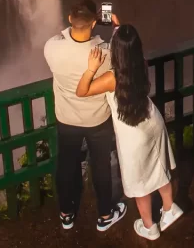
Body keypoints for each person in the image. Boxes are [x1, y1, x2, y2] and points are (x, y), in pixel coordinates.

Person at [76, 24, 184, 241]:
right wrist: (120, 26)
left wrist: (91, 68)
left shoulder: (111, 78)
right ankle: (169, 208)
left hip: (133, 134)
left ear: (114, 51)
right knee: (158, 166)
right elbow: (129, 44)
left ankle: (149, 227)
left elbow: (82, 91)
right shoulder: (141, 64)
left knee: (140, 182)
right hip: (153, 121)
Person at [43, 0, 127, 232]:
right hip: (97, 120)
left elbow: (64, 42)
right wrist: (116, 26)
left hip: (67, 119)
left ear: (70, 19)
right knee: (100, 167)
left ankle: (66, 214)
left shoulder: (51, 47)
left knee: (66, 166)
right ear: (93, 23)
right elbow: (123, 56)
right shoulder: (105, 54)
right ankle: (105, 215)